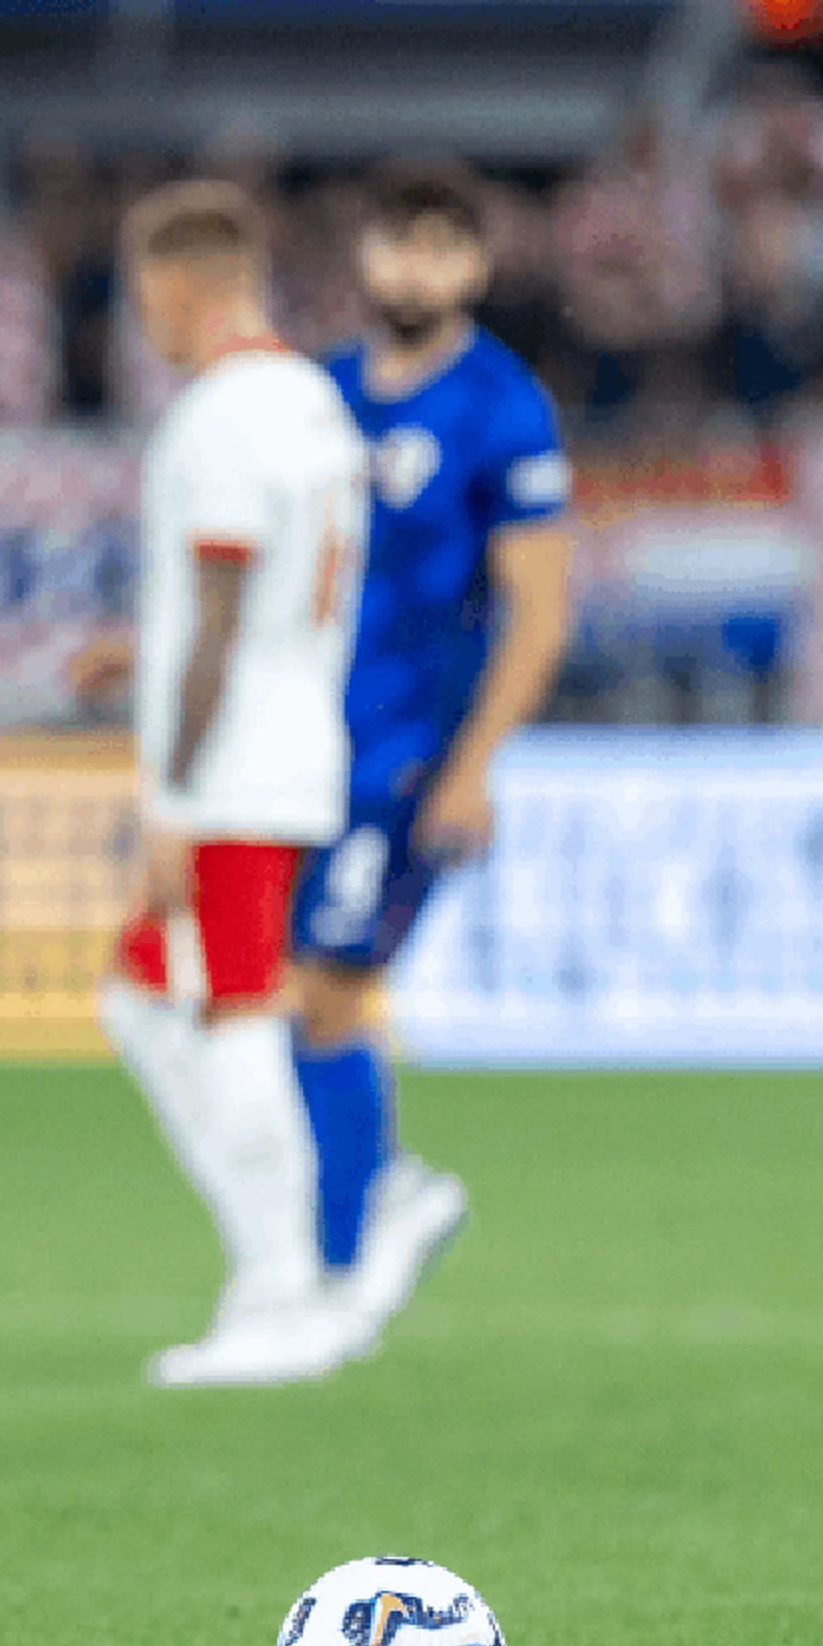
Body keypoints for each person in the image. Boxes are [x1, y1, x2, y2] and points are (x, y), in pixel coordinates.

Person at [91, 183, 373, 1388]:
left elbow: (216, 621)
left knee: (231, 1018)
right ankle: (284, 1274)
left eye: (143, 297)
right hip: (295, 741)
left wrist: (173, 797)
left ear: (178, 287)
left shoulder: (215, 419)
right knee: (149, 1001)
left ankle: (280, 1295)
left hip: (231, 773)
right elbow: (250, 606)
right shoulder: (315, 403)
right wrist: (142, 653)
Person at [291, 164, 574, 1357]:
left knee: (327, 988)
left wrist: (472, 765)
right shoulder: (318, 395)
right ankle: (374, 1205)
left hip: (407, 754)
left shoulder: (502, 408)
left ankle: (345, 1256)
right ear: (361, 256)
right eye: (396, 243)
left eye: (441, 246)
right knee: (283, 998)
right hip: (297, 748)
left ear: (477, 266)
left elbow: (539, 609)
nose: (415, 268)